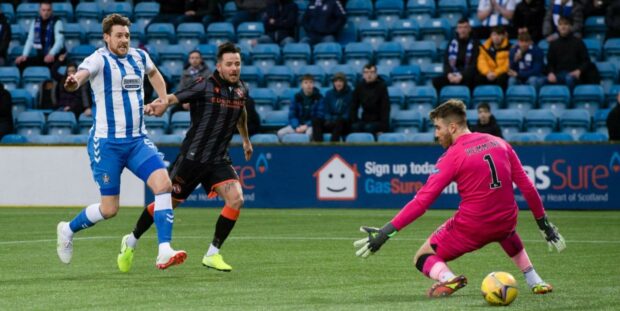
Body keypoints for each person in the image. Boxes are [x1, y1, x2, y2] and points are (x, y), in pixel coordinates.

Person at [354, 99, 565, 298]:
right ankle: (534, 279)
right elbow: (528, 187)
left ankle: (448, 278)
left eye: (438, 128)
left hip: (473, 227)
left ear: (452, 127)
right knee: (506, 230)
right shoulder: (500, 143)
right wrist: (543, 224)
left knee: (422, 257)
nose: (436, 134)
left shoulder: (453, 155)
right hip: (506, 221)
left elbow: (421, 202)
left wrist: (386, 233)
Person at [56, 14, 186, 270]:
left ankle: (164, 250)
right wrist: (72, 83)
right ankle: (67, 230)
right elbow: (81, 76)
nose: (124, 40)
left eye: (127, 35)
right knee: (109, 209)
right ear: (107, 37)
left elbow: (154, 74)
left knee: (163, 184)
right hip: (107, 144)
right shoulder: (99, 59)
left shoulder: (139, 56)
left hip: (137, 140)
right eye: (119, 35)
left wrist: (162, 100)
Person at [117, 42, 254, 273]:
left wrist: (246, 140)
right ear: (219, 66)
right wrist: (158, 104)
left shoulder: (241, 90)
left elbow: (241, 113)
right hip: (192, 159)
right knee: (166, 204)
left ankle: (213, 254)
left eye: (237, 64)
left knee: (236, 199)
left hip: (218, 159)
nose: (234, 68)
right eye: (229, 64)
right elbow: (174, 98)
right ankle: (130, 240)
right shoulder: (204, 85)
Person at [15, 1, 65, 71]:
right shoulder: (35, 22)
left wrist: (51, 54)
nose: (46, 13)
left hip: (55, 56)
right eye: (43, 10)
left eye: (48, 10)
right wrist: (24, 55)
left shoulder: (57, 22)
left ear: (51, 11)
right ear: (40, 10)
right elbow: (30, 40)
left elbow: (59, 42)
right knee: (21, 63)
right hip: (42, 56)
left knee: (51, 64)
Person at [432, 18, 479, 92]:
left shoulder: (475, 43)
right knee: (436, 81)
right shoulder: (452, 43)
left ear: (469, 29)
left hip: (466, 76)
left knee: (474, 81)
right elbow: (446, 62)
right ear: (457, 30)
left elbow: (474, 64)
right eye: (460, 27)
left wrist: (462, 76)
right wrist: (449, 74)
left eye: (465, 27)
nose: (462, 30)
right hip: (452, 74)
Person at [545, 16, 590, 90]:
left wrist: (579, 70)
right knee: (538, 81)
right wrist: (550, 73)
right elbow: (550, 63)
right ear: (558, 27)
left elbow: (586, 61)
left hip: (573, 75)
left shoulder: (578, 43)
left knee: (569, 78)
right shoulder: (553, 44)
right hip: (557, 75)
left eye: (565, 24)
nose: (563, 27)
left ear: (570, 26)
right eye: (560, 24)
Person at [276, 74, 324, 141]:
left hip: (311, 125)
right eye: (306, 82)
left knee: (310, 134)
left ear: (313, 84)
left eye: (311, 82)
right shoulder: (296, 97)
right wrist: (296, 127)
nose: (308, 85)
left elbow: (319, 116)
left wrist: (306, 125)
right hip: (297, 125)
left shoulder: (319, 98)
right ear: (302, 85)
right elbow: (292, 115)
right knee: (280, 133)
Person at [350, 64, 390, 136]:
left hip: (378, 121)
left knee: (368, 128)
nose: (369, 75)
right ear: (363, 75)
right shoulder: (359, 87)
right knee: (354, 127)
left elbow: (385, 108)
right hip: (365, 119)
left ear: (376, 74)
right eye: (366, 72)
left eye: (372, 72)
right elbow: (353, 106)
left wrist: (383, 129)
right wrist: (354, 121)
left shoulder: (382, 87)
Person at [314, 72, 352, 142]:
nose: (338, 83)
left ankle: (333, 146)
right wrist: (329, 119)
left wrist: (336, 119)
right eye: (336, 81)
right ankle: (318, 146)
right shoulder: (329, 94)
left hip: (343, 124)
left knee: (340, 121)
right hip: (330, 121)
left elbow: (348, 113)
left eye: (340, 81)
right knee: (317, 121)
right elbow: (326, 110)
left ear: (344, 83)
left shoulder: (350, 94)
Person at [172, 50, 212, 114]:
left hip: (201, 100)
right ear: (189, 60)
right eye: (192, 58)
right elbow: (181, 89)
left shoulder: (207, 73)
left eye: (197, 58)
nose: (194, 60)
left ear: (201, 59)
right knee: (173, 110)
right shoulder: (185, 73)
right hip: (187, 100)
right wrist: (184, 101)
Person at [476, 26, 510, 91]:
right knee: (477, 78)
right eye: (494, 35)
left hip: (500, 74)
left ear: (503, 36)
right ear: (491, 36)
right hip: (488, 73)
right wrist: (487, 72)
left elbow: (507, 65)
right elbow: (481, 62)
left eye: (499, 35)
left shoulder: (509, 48)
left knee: (503, 78)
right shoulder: (484, 48)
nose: (496, 37)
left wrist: (495, 73)